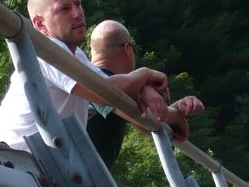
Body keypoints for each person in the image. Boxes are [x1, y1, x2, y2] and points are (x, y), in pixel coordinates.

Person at [0, 0, 181, 152]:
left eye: (78, 5)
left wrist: (144, 89)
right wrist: (145, 74)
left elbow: (112, 88)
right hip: (6, 161)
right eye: (64, 9)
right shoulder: (46, 51)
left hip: (27, 164)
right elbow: (104, 94)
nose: (77, 14)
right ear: (40, 24)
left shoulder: (75, 55)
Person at [88, 20, 205, 168]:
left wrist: (176, 109)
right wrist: (175, 115)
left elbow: (150, 123)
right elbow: (149, 118)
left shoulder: (87, 78)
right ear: (128, 49)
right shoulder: (98, 83)